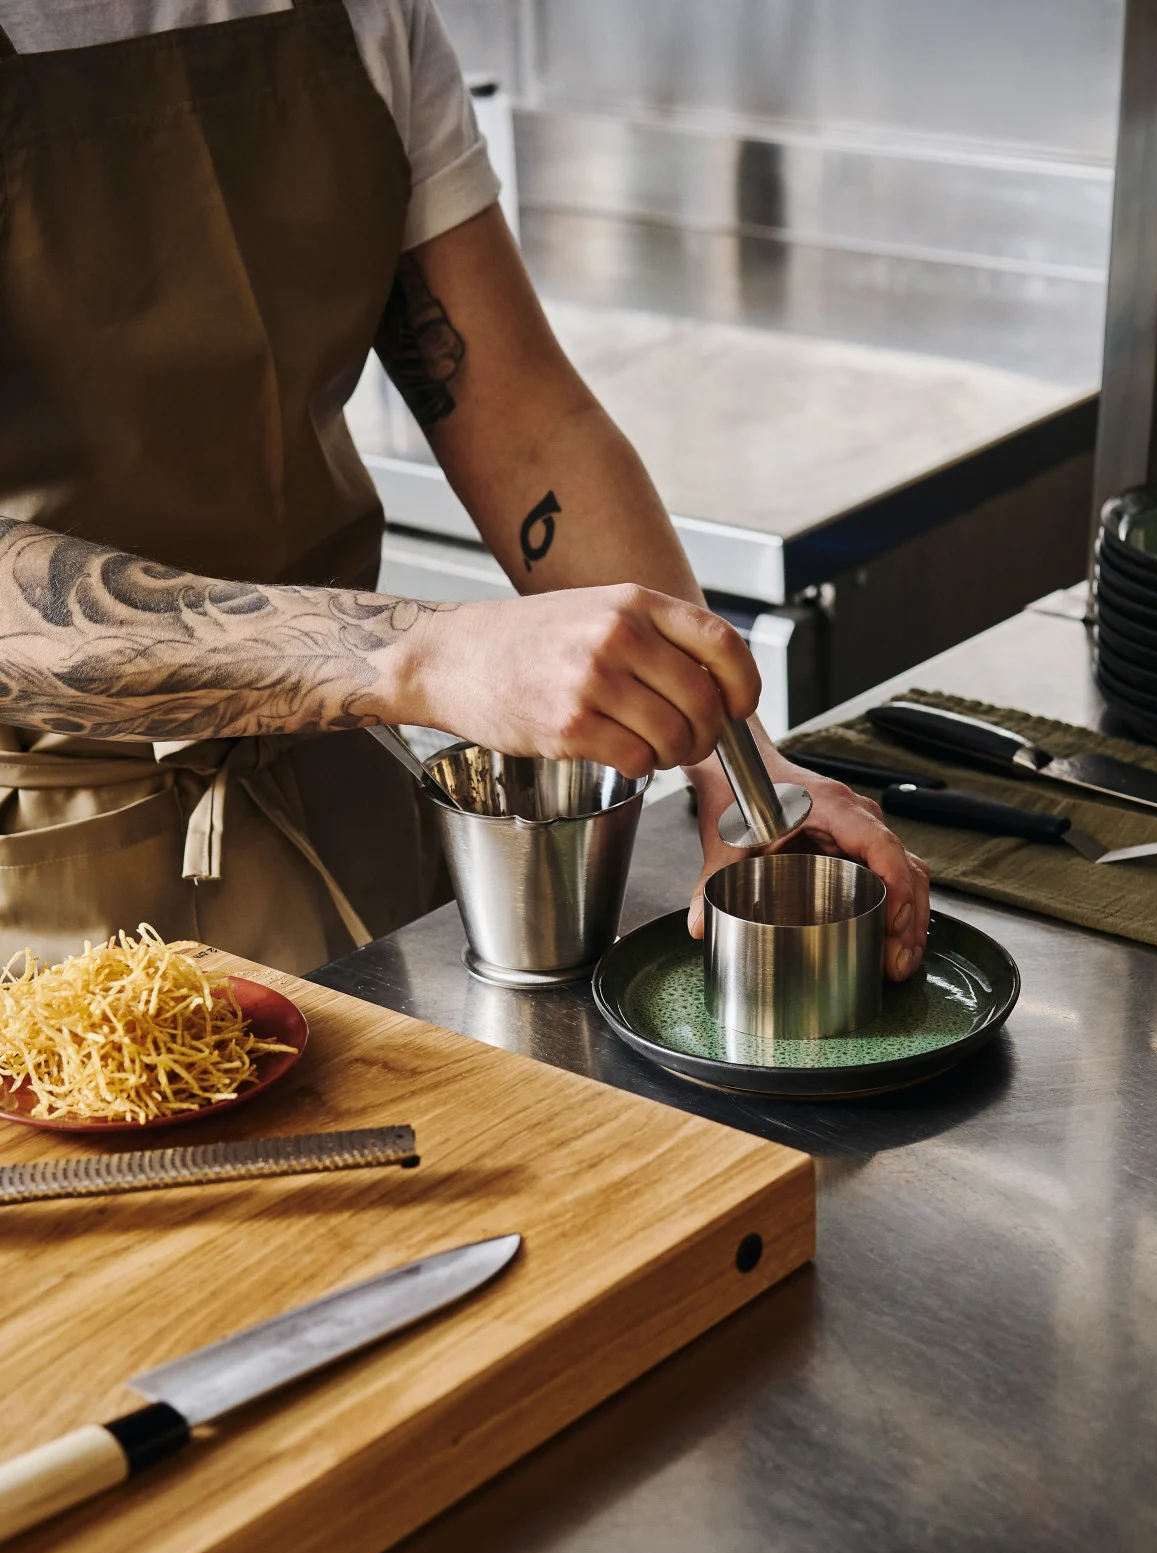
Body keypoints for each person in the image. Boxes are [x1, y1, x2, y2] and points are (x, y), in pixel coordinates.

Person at [0, 0, 929, 978]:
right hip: (52, 887)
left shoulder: (365, 15)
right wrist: (421, 650)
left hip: (345, 839)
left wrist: (742, 772)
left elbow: (527, 419)